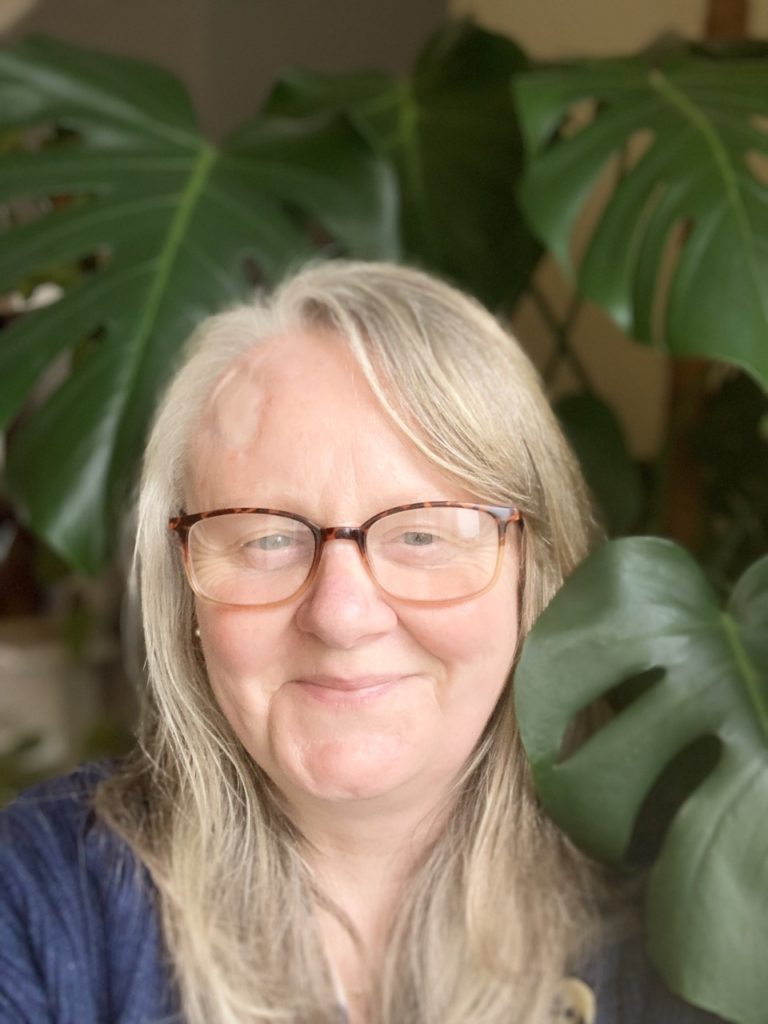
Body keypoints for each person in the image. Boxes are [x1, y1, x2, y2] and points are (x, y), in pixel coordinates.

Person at [0, 262, 721, 1024]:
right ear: (184, 595)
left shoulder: (695, 908)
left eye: (421, 534)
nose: (342, 616)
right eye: (267, 540)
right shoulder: (39, 902)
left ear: (532, 576)